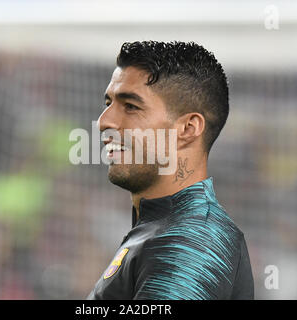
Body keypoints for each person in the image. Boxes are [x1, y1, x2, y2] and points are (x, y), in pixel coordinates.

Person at [88, 41, 254, 300]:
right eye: (108, 102)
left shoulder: (193, 239)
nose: (103, 121)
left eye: (130, 106)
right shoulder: (163, 227)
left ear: (188, 129)